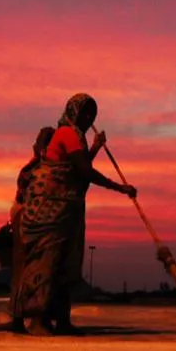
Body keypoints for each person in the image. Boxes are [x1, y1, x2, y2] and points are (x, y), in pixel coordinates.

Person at [15, 93, 137, 335]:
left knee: (65, 264)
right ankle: (38, 320)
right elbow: (83, 171)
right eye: (86, 112)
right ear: (74, 112)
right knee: (46, 263)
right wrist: (120, 188)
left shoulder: (76, 137)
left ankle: (61, 320)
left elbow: (77, 167)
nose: (90, 117)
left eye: (93, 114)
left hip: (65, 211)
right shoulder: (68, 134)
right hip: (51, 210)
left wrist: (94, 147)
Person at [8, 126, 56, 333]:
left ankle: (28, 319)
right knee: (27, 272)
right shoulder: (35, 170)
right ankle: (24, 319)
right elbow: (23, 198)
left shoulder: (37, 168)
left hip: (33, 223)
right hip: (29, 224)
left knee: (31, 272)